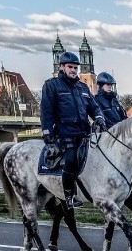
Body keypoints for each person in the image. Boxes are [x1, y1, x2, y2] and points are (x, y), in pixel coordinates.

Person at [40, 51, 106, 209]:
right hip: (64, 134)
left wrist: (99, 117)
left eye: (76, 67)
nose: (73, 70)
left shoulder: (82, 87)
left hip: (83, 133)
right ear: (62, 67)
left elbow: (94, 107)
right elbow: (46, 112)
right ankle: (69, 196)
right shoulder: (51, 86)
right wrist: (48, 136)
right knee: (71, 160)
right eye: (70, 67)